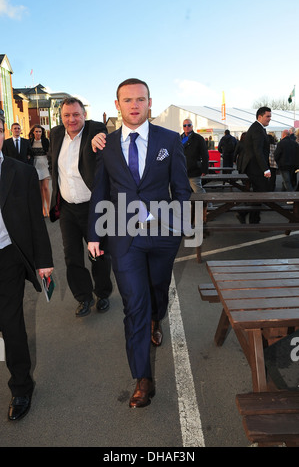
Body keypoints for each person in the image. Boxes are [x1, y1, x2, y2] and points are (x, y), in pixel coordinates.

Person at [88, 78, 191, 408]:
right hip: (123, 237)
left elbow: (182, 188)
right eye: (127, 100)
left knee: (157, 291)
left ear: (150, 102)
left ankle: (156, 318)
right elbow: (100, 192)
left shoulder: (170, 140)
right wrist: (93, 233)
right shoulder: (107, 145)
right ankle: (142, 379)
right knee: (134, 305)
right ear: (117, 105)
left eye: (140, 99)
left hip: (163, 234)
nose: (134, 104)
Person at [0, 113, 53, 421]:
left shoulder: (20, 172)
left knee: (11, 322)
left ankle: (21, 387)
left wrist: (44, 262)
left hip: (8, 256)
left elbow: (36, 221)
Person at [48, 97, 112, 318]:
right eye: (67, 115)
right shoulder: (55, 134)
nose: (71, 119)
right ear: (61, 117)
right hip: (67, 209)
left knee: (99, 254)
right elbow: (52, 163)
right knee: (72, 256)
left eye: (76, 114)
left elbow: (101, 131)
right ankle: (83, 297)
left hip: (92, 209)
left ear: (84, 114)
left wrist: (100, 136)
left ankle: (102, 293)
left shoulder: (94, 128)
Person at [239, 106, 272, 224]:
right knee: (261, 193)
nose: (270, 119)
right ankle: (246, 215)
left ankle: (252, 218)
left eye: (270, 116)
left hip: (254, 166)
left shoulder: (259, 128)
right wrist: (265, 169)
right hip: (255, 167)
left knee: (259, 193)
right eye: (267, 116)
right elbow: (258, 151)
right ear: (260, 116)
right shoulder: (257, 129)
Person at [181, 119, 209, 194]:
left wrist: (204, 169)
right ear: (183, 127)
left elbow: (205, 155)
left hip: (194, 170)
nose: (187, 127)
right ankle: (189, 205)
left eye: (189, 125)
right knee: (182, 191)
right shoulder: (179, 138)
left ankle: (207, 205)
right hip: (181, 170)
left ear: (192, 126)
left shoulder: (198, 138)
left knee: (198, 190)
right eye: (185, 125)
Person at [29, 124, 51, 217]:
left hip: (45, 164)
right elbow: (28, 152)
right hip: (35, 165)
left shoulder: (45, 141)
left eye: (40, 131)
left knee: (45, 187)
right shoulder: (30, 141)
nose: (38, 133)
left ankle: (49, 208)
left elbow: (49, 153)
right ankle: (43, 209)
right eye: (36, 131)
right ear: (33, 132)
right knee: (39, 189)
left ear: (42, 132)